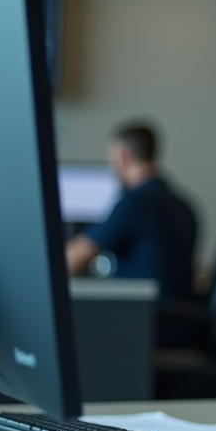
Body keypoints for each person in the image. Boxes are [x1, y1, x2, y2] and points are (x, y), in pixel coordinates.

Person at [65, 121, 199, 317]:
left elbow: (73, 260)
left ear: (122, 156)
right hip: (176, 320)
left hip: (145, 322)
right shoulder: (184, 205)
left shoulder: (136, 202)